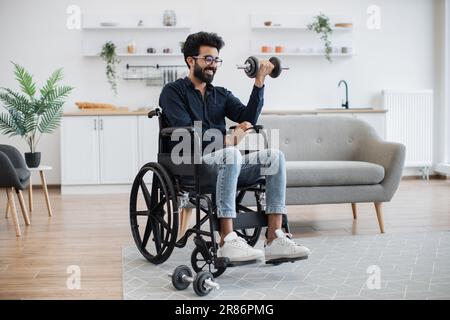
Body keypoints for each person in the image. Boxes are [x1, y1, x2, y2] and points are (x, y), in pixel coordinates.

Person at [159, 31, 310, 263]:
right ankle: (227, 239)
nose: (213, 65)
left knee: (275, 157)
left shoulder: (221, 95)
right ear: (191, 60)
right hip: (192, 165)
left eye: (216, 60)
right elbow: (184, 133)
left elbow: (248, 117)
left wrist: (259, 82)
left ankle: (275, 238)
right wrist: (227, 139)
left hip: (227, 163)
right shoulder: (173, 92)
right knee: (230, 154)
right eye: (207, 59)